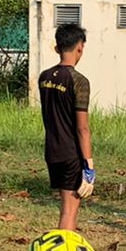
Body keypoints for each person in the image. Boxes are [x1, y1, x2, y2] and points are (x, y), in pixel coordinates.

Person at [37, 22, 94, 232]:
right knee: (69, 212)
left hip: (52, 151)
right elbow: (82, 129)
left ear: (57, 47)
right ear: (80, 47)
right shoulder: (79, 81)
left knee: (65, 207)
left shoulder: (44, 77)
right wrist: (89, 166)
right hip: (72, 154)